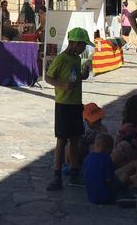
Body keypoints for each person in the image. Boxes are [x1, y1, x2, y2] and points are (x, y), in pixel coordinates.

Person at [44, 27, 91, 191]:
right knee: (62, 140)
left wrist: (84, 74)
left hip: (76, 104)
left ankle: (74, 172)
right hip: (63, 104)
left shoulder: (77, 60)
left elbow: (76, 78)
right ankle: (56, 175)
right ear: (75, 43)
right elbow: (48, 77)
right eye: (83, 45)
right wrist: (62, 85)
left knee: (75, 139)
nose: (84, 48)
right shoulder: (61, 59)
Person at [81, 133, 118, 205]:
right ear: (108, 150)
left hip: (91, 197)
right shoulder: (107, 159)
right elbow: (108, 179)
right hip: (105, 198)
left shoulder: (87, 158)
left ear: (95, 145)